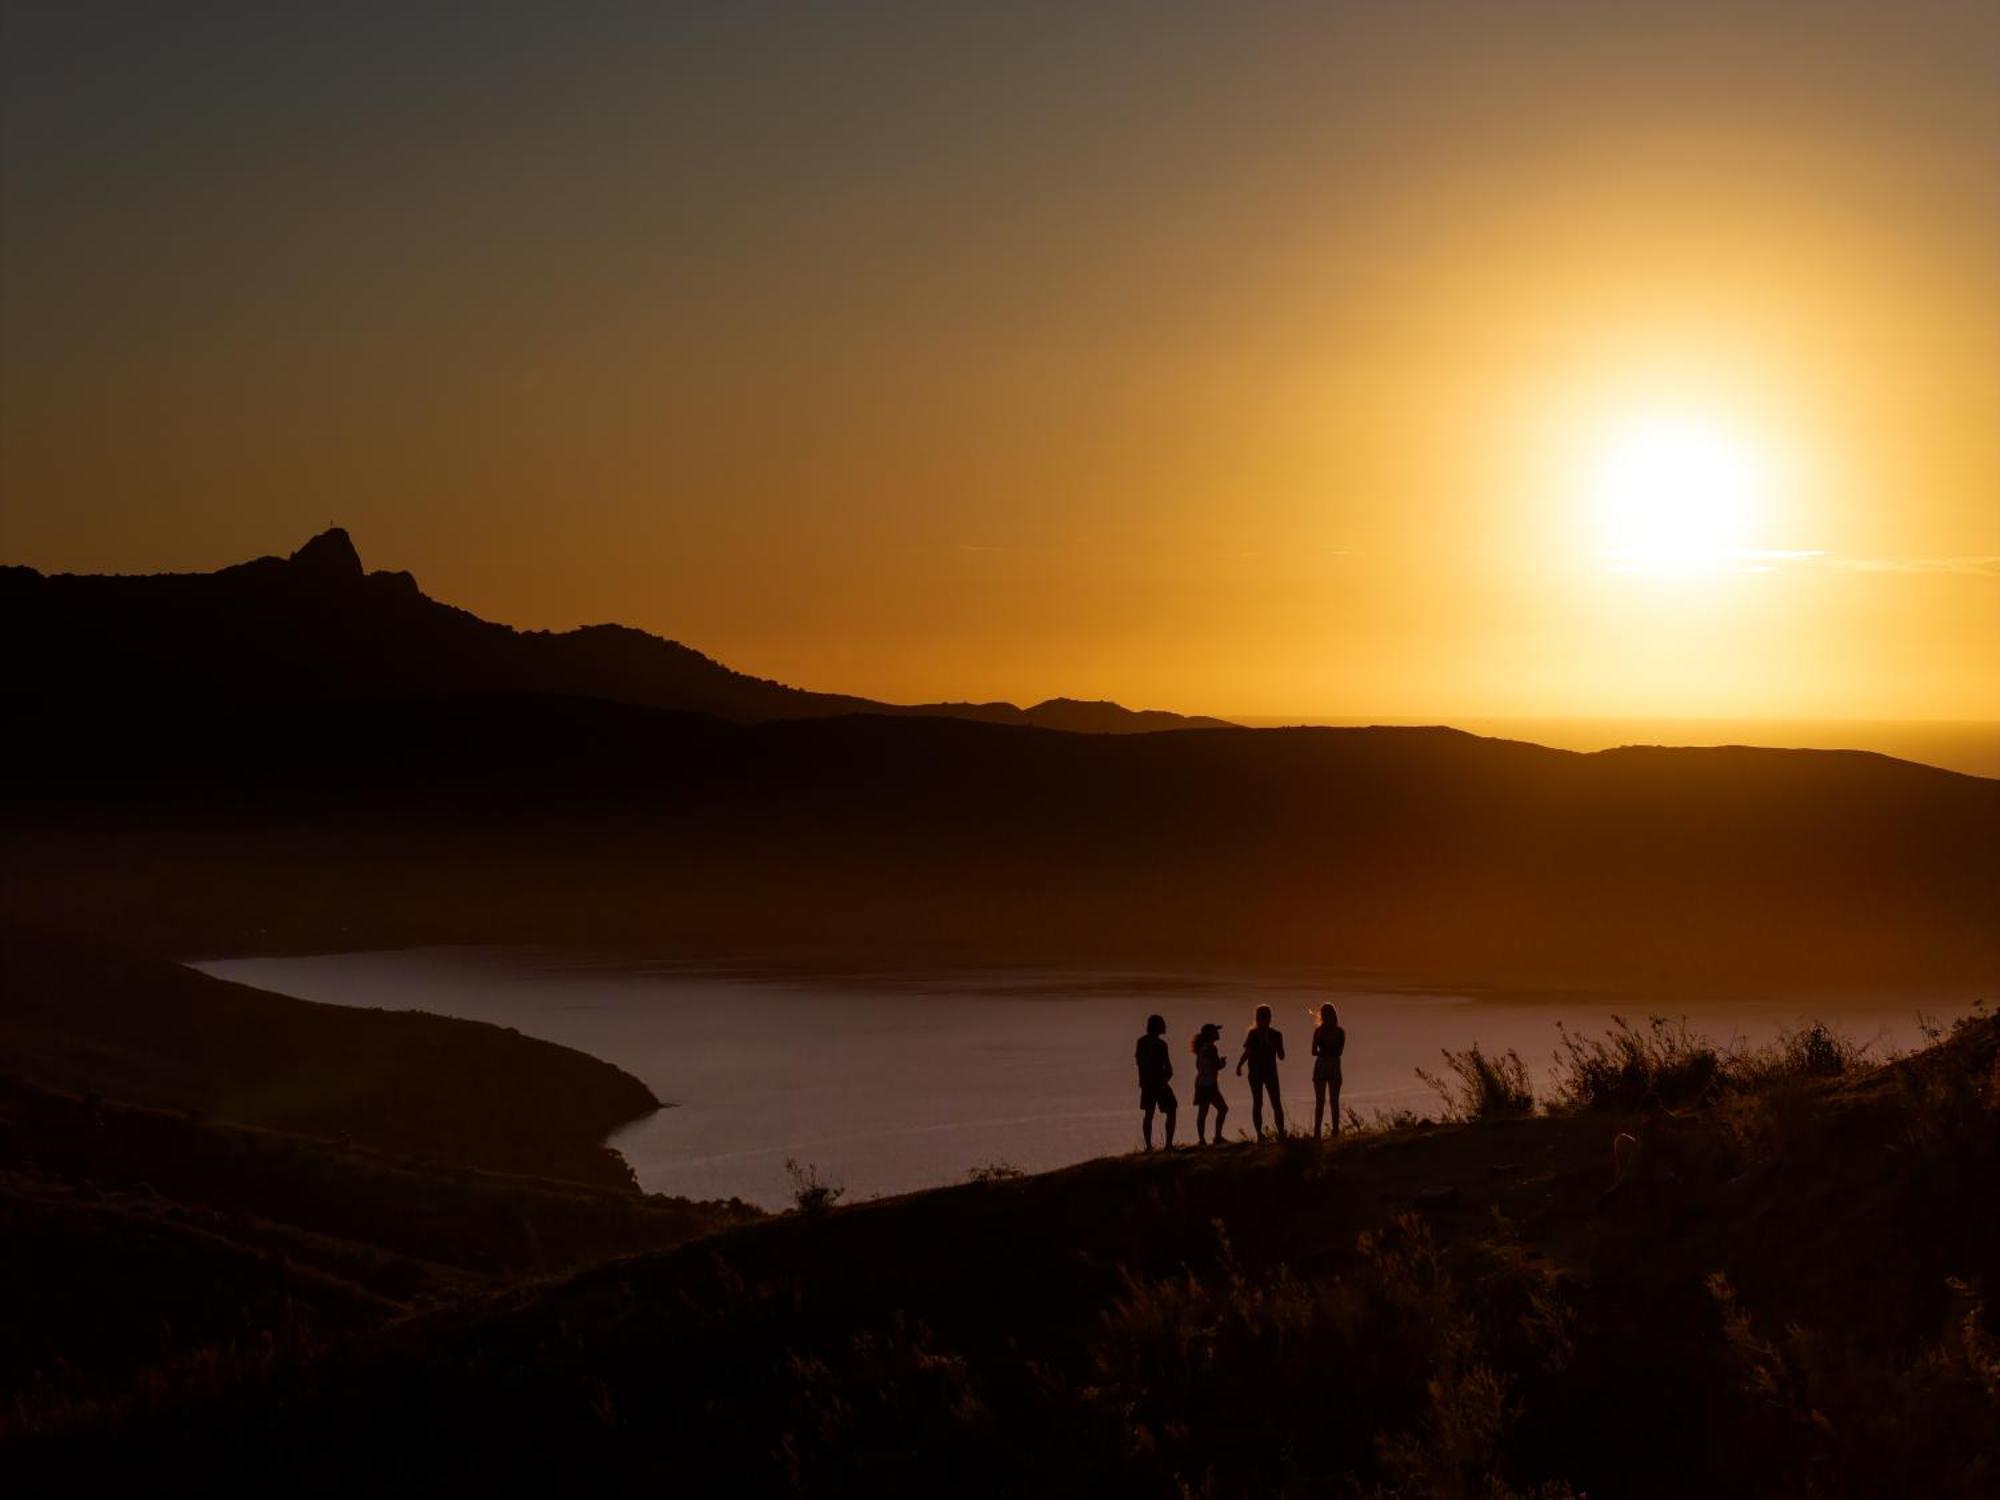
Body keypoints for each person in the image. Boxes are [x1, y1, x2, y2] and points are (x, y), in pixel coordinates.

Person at [1235, 1003, 1285, 1137]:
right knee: (1258, 1103)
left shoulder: (1276, 1034)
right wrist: (1239, 1065)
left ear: (1270, 1018)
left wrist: (1273, 1045)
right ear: (1257, 1018)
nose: (1263, 1020)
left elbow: (1281, 1056)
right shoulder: (1253, 1034)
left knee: (1276, 1103)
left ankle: (1281, 1132)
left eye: (1266, 1017)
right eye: (1261, 1017)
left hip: (1270, 1073)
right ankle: (1259, 1134)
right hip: (1255, 1074)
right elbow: (1248, 1052)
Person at [1135, 1013, 1177, 1149]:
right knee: (1171, 1109)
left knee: (1149, 1113)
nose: (1165, 1026)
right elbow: (1167, 1066)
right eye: (1162, 1024)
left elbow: (1139, 1063)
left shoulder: (1141, 1042)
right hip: (1159, 1082)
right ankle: (1168, 1145)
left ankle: (1149, 1146)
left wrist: (1143, 1080)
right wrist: (1165, 1080)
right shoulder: (1161, 1044)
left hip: (1147, 1083)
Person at [1310, 1002, 1346, 1137]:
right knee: (1334, 1101)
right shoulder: (1340, 1032)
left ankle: (1317, 1132)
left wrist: (1322, 1051)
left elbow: (1313, 1051)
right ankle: (1335, 1131)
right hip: (1334, 1066)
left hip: (1321, 1067)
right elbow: (1340, 1052)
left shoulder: (1318, 1031)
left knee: (1320, 1102)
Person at [1191, 1022, 1230, 1144]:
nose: (1218, 1033)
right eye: (1215, 1031)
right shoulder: (1212, 1048)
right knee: (1223, 1109)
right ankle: (1217, 1137)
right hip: (1209, 1085)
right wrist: (1222, 1063)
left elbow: (1198, 1066)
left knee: (1203, 1112)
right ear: (1210, 1034)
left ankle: (1202, 1140)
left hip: (1201, 1083)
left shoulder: (1201, 1048)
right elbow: (1216, 1066)